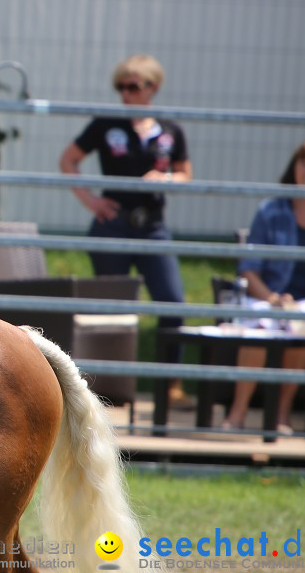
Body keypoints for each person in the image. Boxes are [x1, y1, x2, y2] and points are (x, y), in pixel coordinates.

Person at [58, 54, 192, 404]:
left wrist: (164, 177)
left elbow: (184, 173)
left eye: (133, 86)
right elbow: (68, 159)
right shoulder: (106, 123)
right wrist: (91, 201)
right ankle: (108, 389)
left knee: (172, 303)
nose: (126, 94)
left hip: (153, 225)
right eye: (121, 86)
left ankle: (171, 383)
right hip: (113, 222)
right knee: (111, 307)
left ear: (153, 88)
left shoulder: (170, 129)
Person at [222, 137, 305, 433]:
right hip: (267, 297)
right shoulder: (271, 210)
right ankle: (238, 412)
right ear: (293, 168)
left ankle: (281, 415)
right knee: (260, 326)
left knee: (302, 322)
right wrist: (272, 298)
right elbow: (249, 270)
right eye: (304, 164)